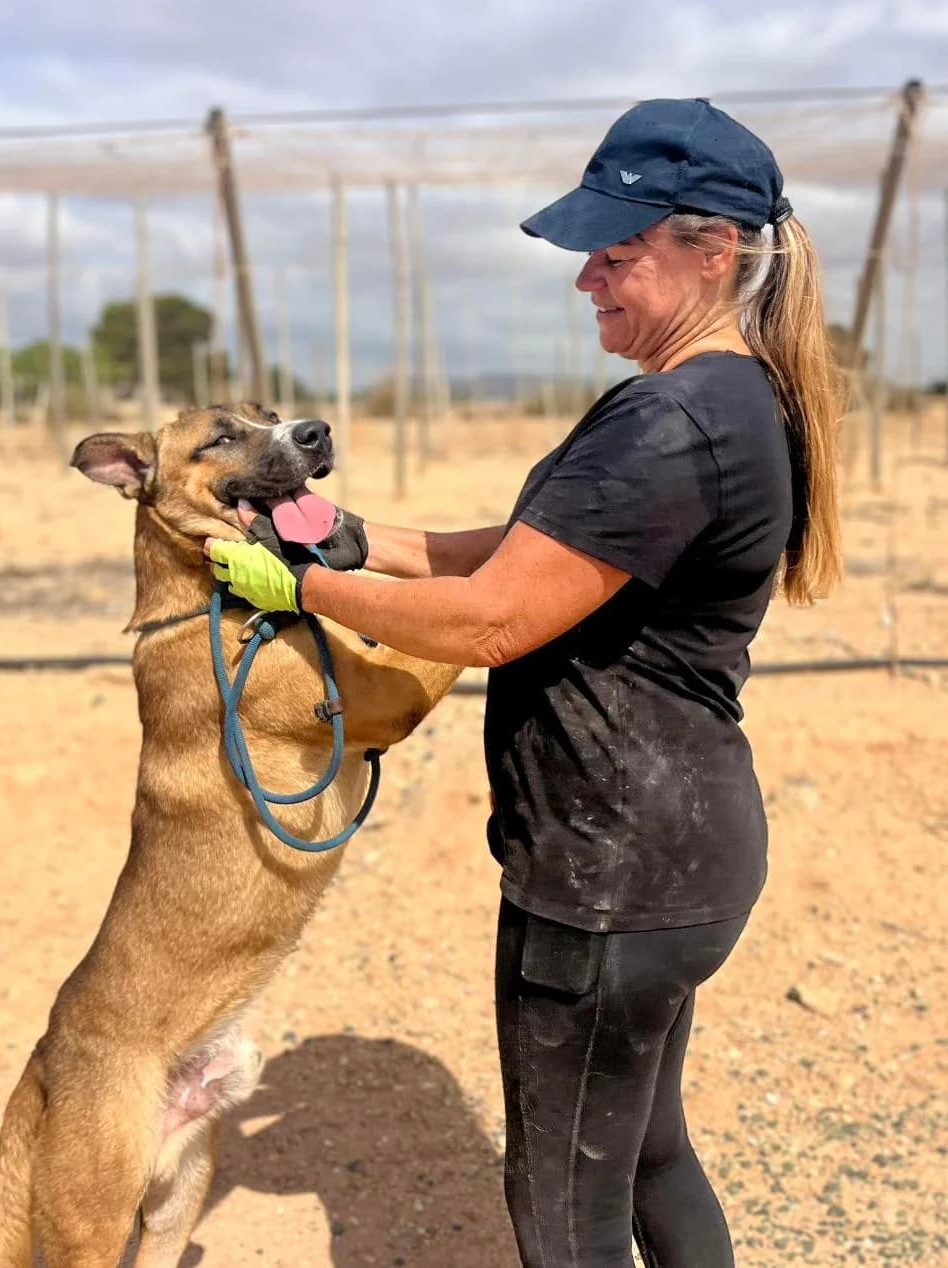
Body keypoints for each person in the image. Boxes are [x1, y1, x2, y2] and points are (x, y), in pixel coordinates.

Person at [206, 97, 843, 1268]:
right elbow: (526, 552)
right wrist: (347, 535)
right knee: (649, 1155)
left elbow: (497, 615)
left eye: (619, 252)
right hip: (682, 853)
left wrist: (302, 592)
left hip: (611, 868)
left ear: (715, 251)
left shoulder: (672, 418)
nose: (587, 279)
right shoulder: (736, 398)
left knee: (563, 1207)